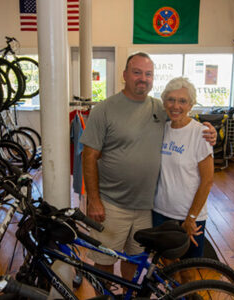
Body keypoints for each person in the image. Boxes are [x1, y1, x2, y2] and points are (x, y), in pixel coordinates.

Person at [80, 52, 216, 280]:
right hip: (111, 205)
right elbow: (89, 156)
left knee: (135, 262)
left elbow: (182, 117)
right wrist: (93, 199)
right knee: (104, 261)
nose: (143, 78)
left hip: (147, 208)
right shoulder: (104, 109)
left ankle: (127, 295)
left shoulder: (159, 109)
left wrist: (210, 132)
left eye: (148, 74)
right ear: (125, 75)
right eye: (137, 72)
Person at [153, 77, 214, 271]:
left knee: (188, 271)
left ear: (191, 104)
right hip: (161, 212)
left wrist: (191, 218)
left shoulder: (201, 133)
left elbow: (207, 181)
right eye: (170, 99)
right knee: (168, 266)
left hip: (189, 216)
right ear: (164, 102)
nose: (175, 106)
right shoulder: (161, 129)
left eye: (182, 101)